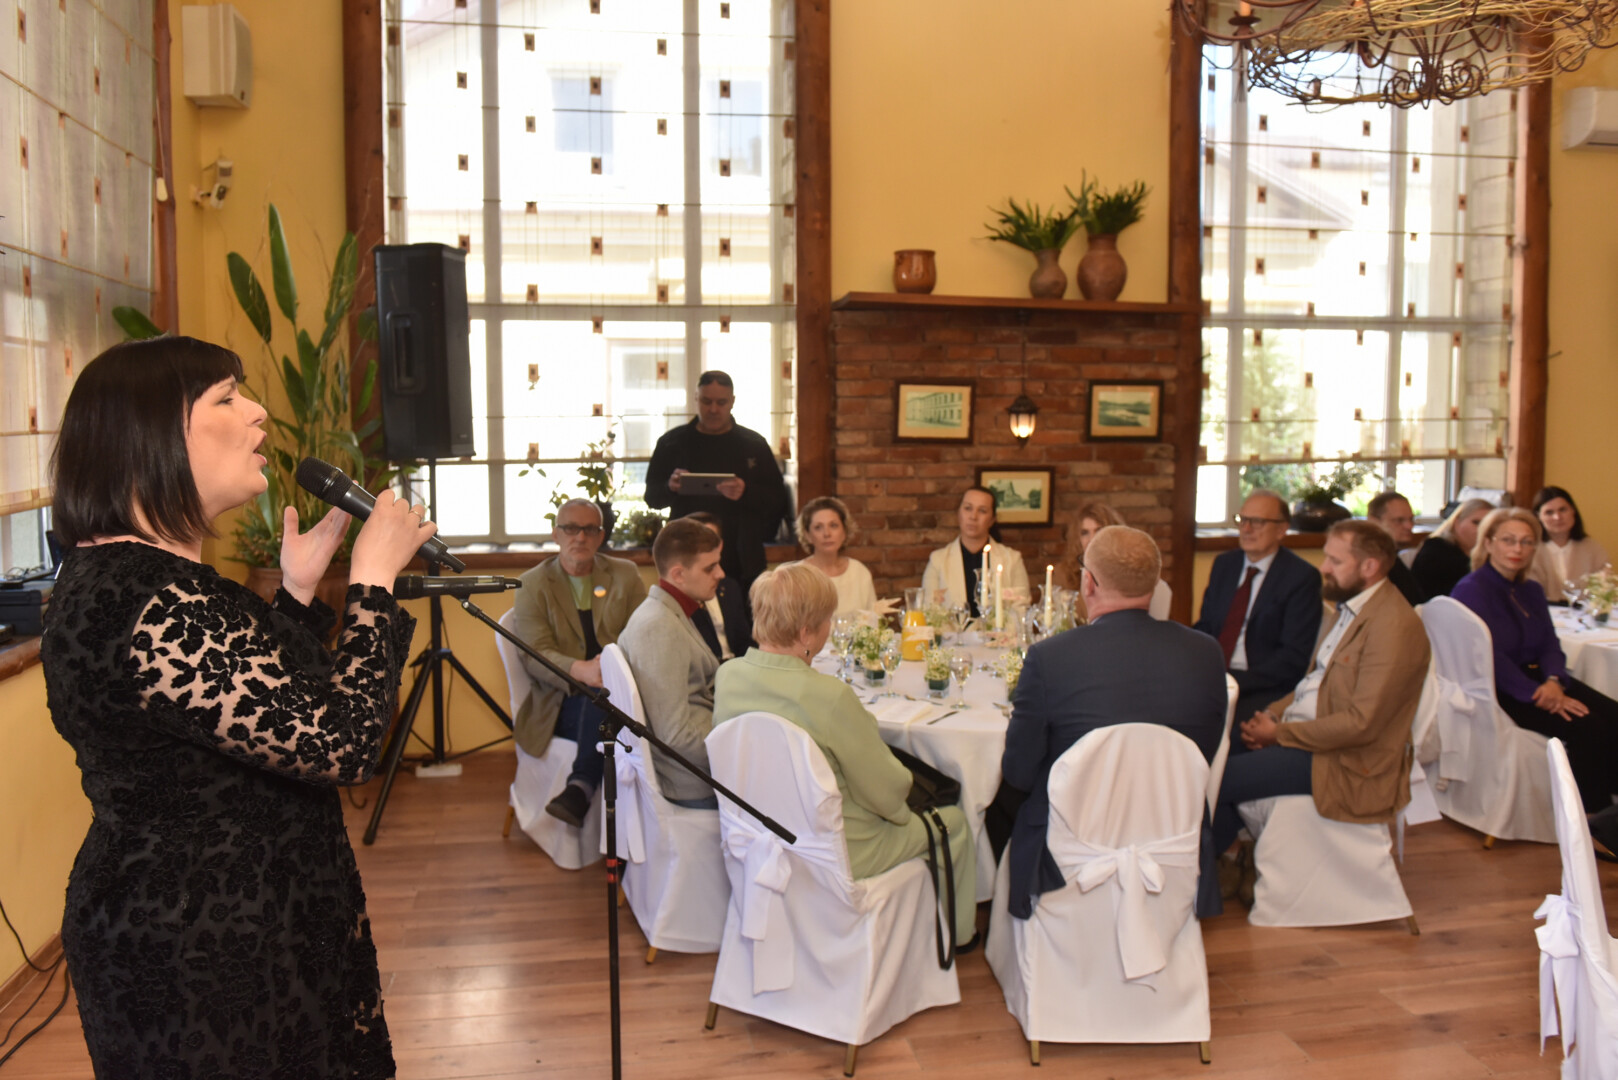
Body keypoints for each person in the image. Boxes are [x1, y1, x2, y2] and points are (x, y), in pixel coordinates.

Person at [41, 337, 431, 1078]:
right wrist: (373, 584)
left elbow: (247, 713)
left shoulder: (139, 583)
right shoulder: (159, 602)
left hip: (241, 921)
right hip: (206, 955)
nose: (257, 413)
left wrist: (298, 594)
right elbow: (341, 744)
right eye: (226, 397)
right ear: (153, 435)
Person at [711, 564, 978, 947]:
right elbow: (888, 792)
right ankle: (959, 940)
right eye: (827, 619)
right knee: (953, 823)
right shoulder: (829, 696)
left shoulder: (729, 676)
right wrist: (903, 808)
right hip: (836, 849)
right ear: (806, 632)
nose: (830, 626)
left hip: (762, 838)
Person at [993, 526, 1228, 920]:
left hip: (1073, 852)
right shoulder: (1205, 653)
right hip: (1171, 839)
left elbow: (1019, 772)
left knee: (1000, 800)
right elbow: (1201, 753)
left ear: (1088, 583)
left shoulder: (1050, 658)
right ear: (1155, 583)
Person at [1211, 521, 1431, 868]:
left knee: (1213, 781)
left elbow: (1361, 725)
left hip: (1346, 764)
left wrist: (1278, 734)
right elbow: (1313, 680)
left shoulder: (1394, 627)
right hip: (1316, 741)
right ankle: (1230, 860)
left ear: (1369, 567)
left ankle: (1220, 867)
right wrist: (1272, 713)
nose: (1324, 568)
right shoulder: (1351, 607)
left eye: (1335, 561)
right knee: (1218, 749)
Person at [1452, 507, 1618, 816]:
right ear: (1488, 543)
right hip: (1500, 688)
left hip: (1542, 678)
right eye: (1508, 540)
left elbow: (1549, 644)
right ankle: (1592, 818)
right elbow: (1489, 657)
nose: (1518, 549)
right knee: (1589, 726)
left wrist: (1554, 680)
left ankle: (1612, 813)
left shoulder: (1531, 590)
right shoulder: (1471, 590)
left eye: (1527, 542)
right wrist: (1535, 693)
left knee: (1613, 714)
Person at [511, 498, 647, 828]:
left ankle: (582, 791)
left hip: (622, 694)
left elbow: (644, 635)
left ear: (601, 536)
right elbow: (533, 653)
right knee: (601, 698)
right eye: (571, 528)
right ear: (556, 533)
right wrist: (580, 670)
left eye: (589, 529)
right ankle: (584, 785)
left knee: (610, 697)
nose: (580, 537)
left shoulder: (625, 574)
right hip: (561, 702)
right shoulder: (533, 583)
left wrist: (615, 670)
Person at [644, 370, 788, 597]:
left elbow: (777, 500)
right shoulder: (672, 443)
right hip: (686, 560)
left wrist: (745, 491)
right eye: (706, 401)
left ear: (732, 401)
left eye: (721, 402)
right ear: (696, 398)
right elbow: (652, 498)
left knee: (742, 617)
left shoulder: (754, 444)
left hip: (742, 560)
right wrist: (669, 488)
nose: (713, 409)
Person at [1193, 489, 1323, 738]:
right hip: (1214, 677)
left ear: (1281, 529)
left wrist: (1233, 681)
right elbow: (1207, 626)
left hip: (1262, 686)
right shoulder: (1225, 565)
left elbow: (1292, 658)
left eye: (1258, 522)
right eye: (1242, 520)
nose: (1246, 529)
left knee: (1222, 733)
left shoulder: (1300, 577)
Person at [617, 517, 727, 807]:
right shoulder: (658, 626)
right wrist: (736, 756)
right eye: (710, 567)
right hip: (693, 782)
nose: (721, 573)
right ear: (678, 574)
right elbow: (674, 736)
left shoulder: (671, 611)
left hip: (701, 764)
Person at [920, 486, 1029, 616]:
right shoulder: (938, 560)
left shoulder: (1012, 559)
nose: (973, 516)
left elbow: (1021, 609)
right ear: (959, 513)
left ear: (992, 519)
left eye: (982, 511)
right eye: (968, 508)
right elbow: (929, 610)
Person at [1062, 499, 1171, 621]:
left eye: (1099, 531)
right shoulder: (1063, 575)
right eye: (1084, 533)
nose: (1092, 539)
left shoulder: (1136, 575)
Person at [790, 494, 878, 615]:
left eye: (833, 525)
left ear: (844, 531)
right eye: (818, 527)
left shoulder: (859, 572)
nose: (827, 533)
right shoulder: (795, 577)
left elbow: (874, 619)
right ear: (807, 535)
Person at [685, 510, 754, 658]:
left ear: (720, 545)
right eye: (699, 543)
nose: (705, 548)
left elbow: (744, 640)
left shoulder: (729, 587)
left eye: (711, 541)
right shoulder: (684, 593)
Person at [1529, 485, 1610, 603]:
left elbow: (1604, 592)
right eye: (1549, 512)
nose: (1557, 517)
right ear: (1538, 516)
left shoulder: (1593, 549)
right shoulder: (1529, 549)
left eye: (1563, 510)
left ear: (1573, 510)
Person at [1411, 497, 1492, 599]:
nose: (1482, 530)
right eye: (1476, 522)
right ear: (1456, 522)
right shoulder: (1436, 549)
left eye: (1488, 526)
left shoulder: (1488, 555)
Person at [1366, 490, 1425, 606]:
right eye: (1399, 520)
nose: (1409, 526)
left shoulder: (1391, 558)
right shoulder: (1372, 564)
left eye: (1411, 519)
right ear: (1374, 521)